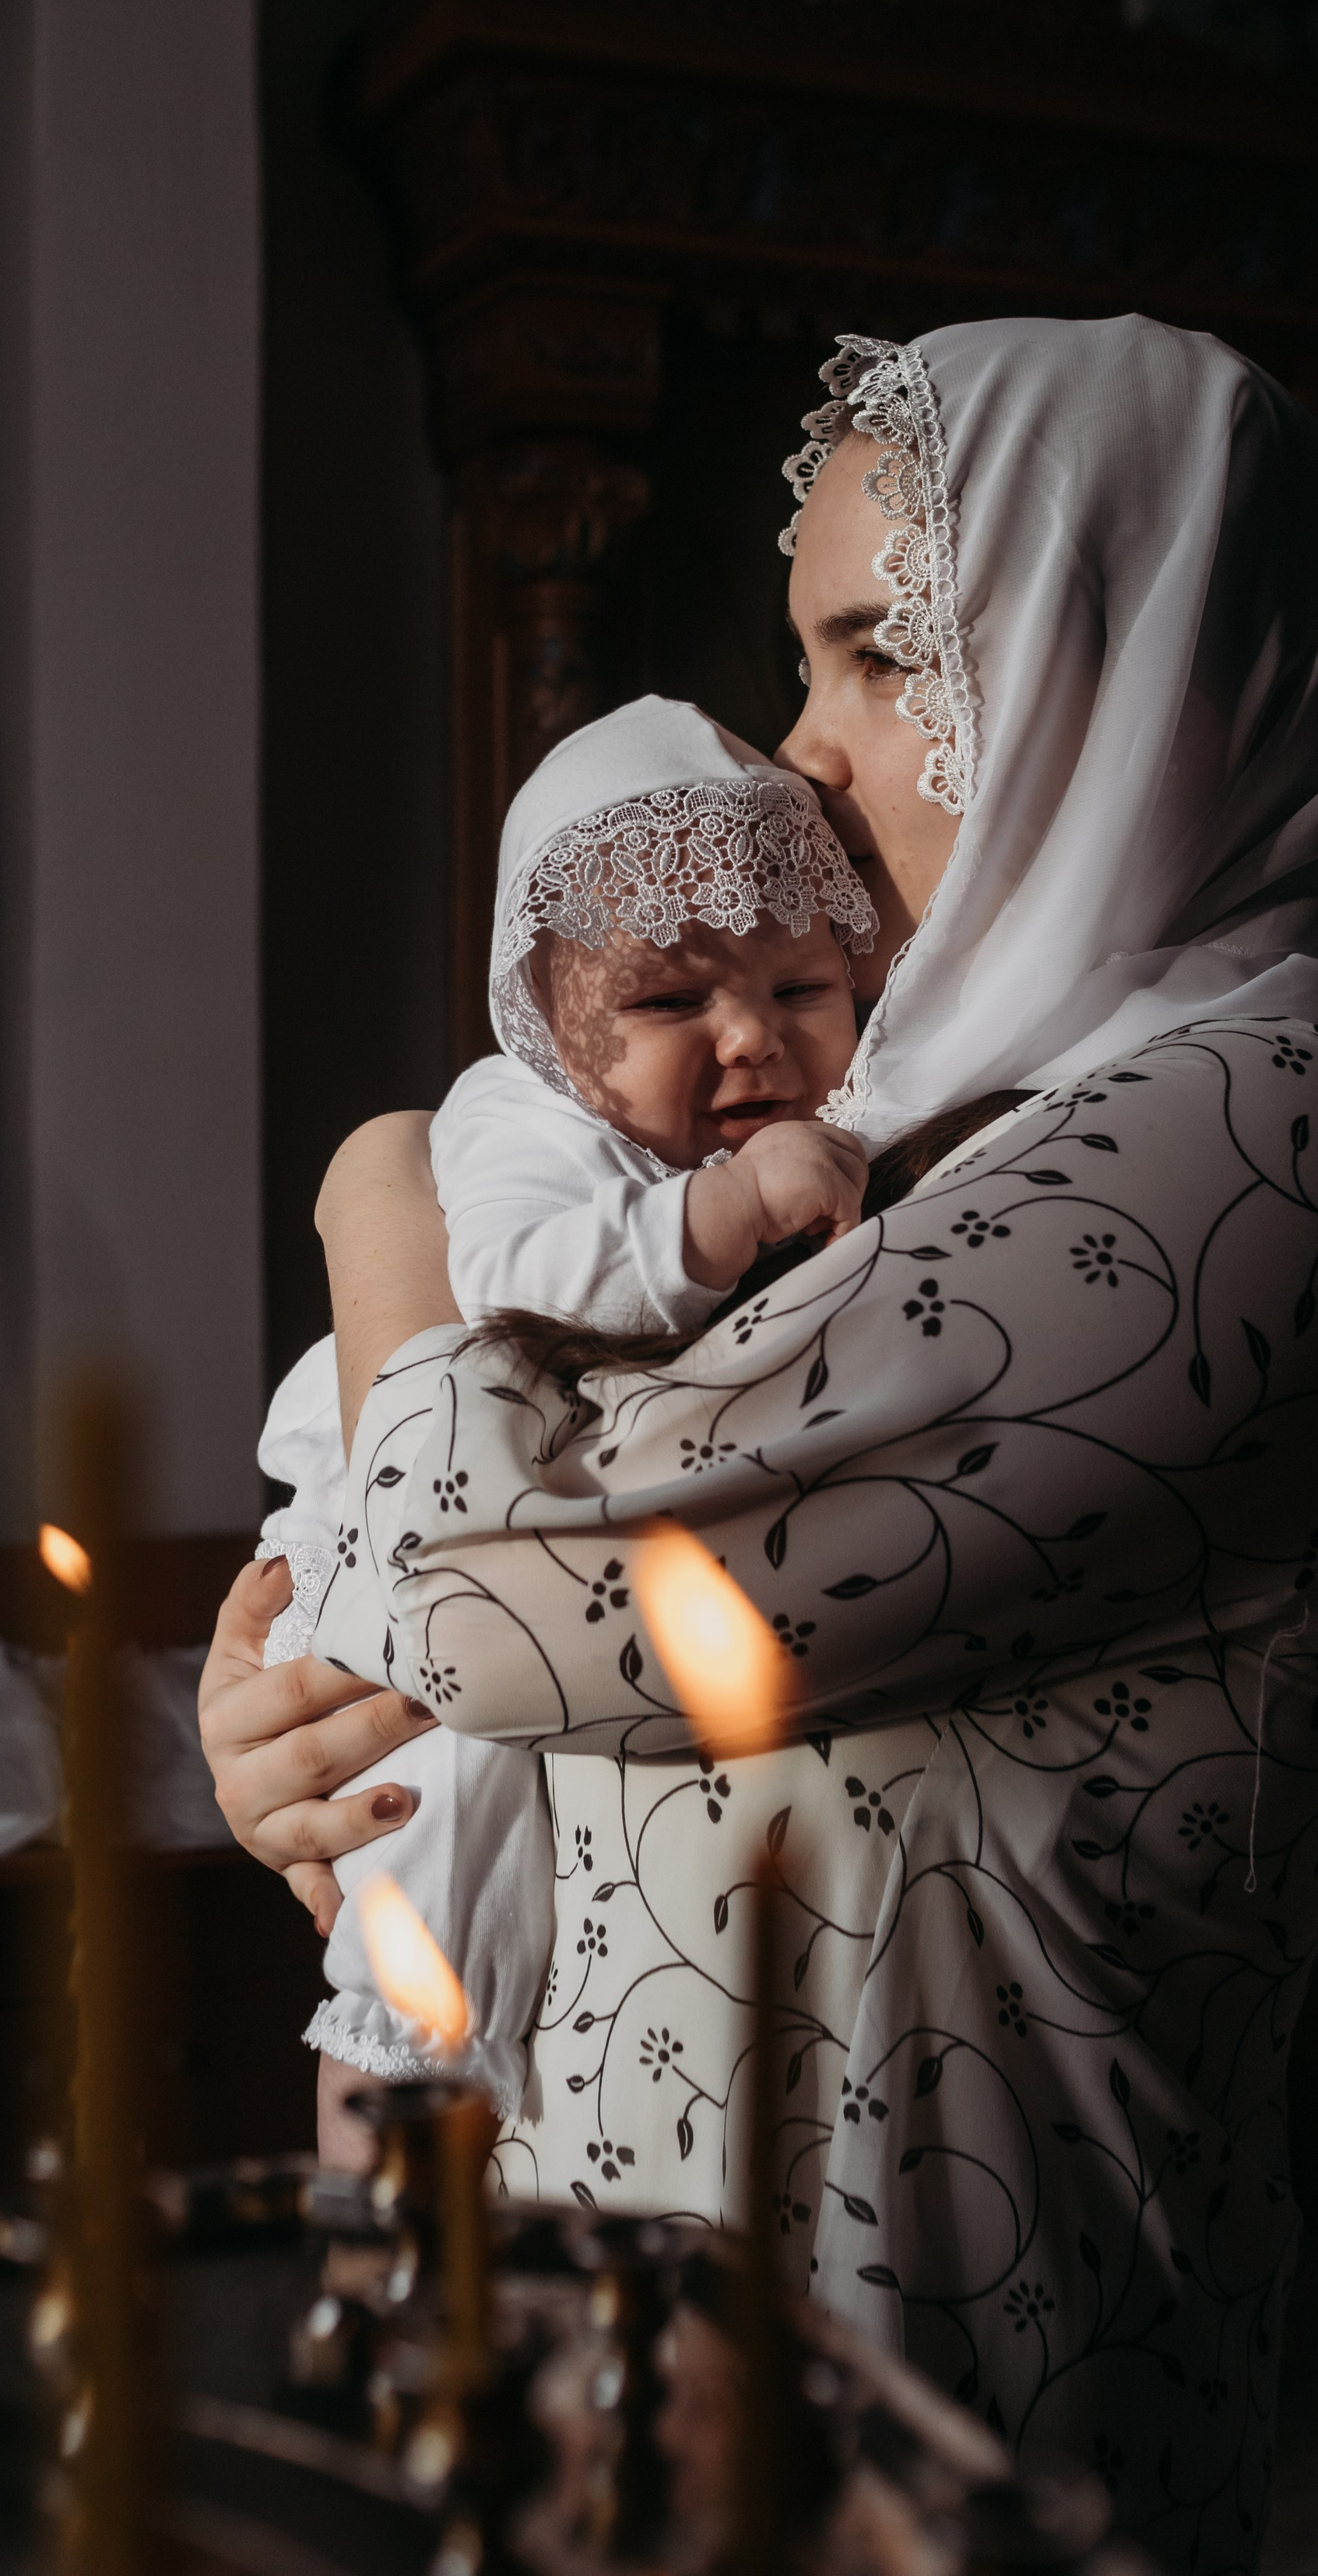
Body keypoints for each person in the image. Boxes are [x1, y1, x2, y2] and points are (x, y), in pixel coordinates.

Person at [201, 314, 1318, 2571]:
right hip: (609, 2368)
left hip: (937, 2435)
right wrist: (309, 1737)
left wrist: (380, 1190)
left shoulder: (1264, 1147)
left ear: (1130, 680)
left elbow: (521, 1578)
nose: (799, 750)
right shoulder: (907, 1137)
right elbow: (456, 1631)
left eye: (883, 654)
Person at [255, 695, 873, 2125]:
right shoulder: (514, 1123)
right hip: (390, 1539)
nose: (750, 1043)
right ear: (546, 1020)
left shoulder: (822, 1139)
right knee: (435, 1871)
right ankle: (376, 2163)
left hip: (532, 1549)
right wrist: (720, 1213)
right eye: (671, 1003)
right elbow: (524, 1278)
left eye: (803, 990)